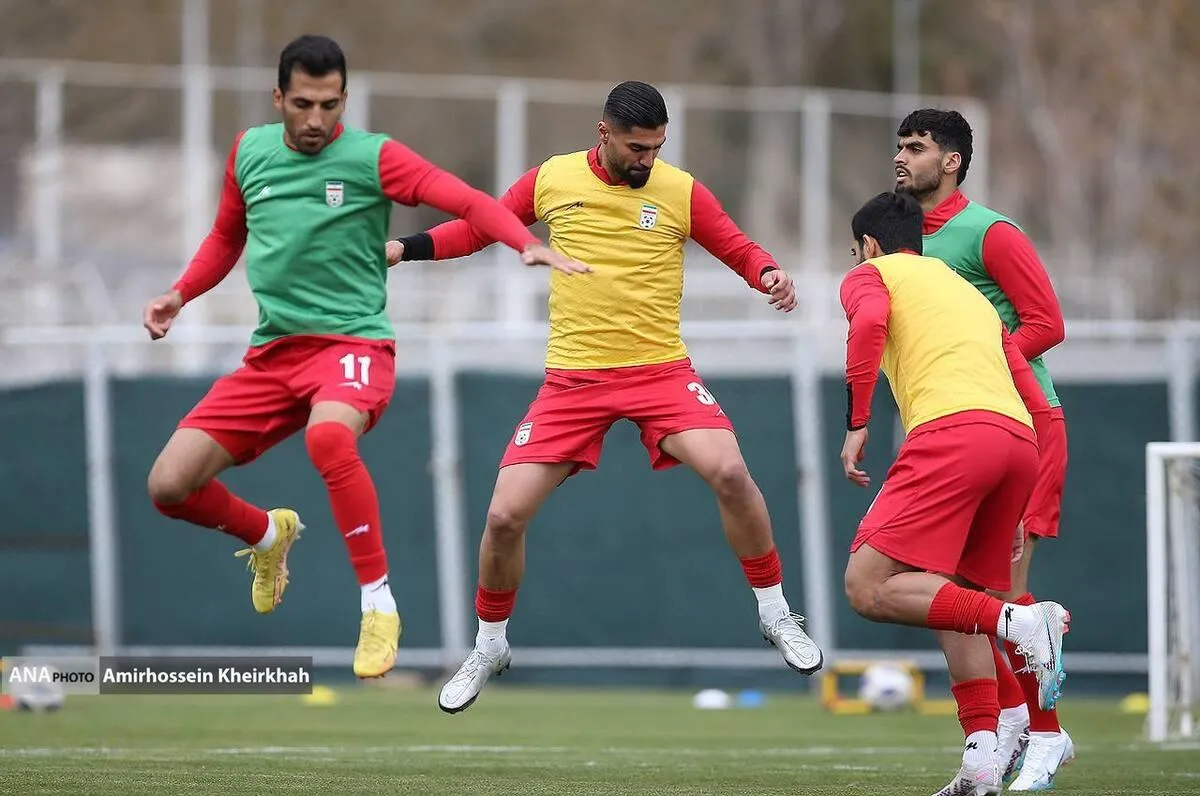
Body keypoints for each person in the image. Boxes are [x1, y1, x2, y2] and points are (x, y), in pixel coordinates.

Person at [142, 34, 583, 681]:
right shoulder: (249, 152)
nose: (316, 119)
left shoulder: (374, 158)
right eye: (303, 104)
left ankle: (378, 604)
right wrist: (180, 293)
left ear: (344, 100)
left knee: (327, 438)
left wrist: (524, 242)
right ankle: (267, 536)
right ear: (278, 98)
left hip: (354, 345)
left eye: (329, 105)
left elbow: (466, 200)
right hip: (272, 355)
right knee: (169, 485)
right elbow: (225, 237)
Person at [389, 80, 823, 714]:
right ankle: (489, 646)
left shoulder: (680, 190)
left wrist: (768, 274)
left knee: (731, 472)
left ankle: (775, 612)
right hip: (574, 381)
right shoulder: (552, 180)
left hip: (660, 374)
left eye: (657, 147)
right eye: (636, 147)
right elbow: (479, 229)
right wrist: (403, 249)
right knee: (504, 518)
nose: (647, 159)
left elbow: (736, 245)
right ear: (604, 133)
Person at [839, 191, 1070, 796]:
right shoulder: (968, 293)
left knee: (867, 586)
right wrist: (1022, 492)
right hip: (1016, 442)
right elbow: (1031, 391)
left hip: (952, 435)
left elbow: (868, 324)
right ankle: (982, 758)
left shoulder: (871, 273)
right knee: (950, 595)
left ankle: (1023, 621)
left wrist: (857, 421)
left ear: (868, 245)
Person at [894, 108, 1073, 791]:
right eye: (900, 146)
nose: (902, 157)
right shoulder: (902, 239)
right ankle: (1009, 729)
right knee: (955, 597)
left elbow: (1047, 322)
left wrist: (982, 361)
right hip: (960, 430)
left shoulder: (990, 232)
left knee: (1002, 594)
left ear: (952, 162)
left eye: (917, 147)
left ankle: (1046, 734)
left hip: (1025, 421)